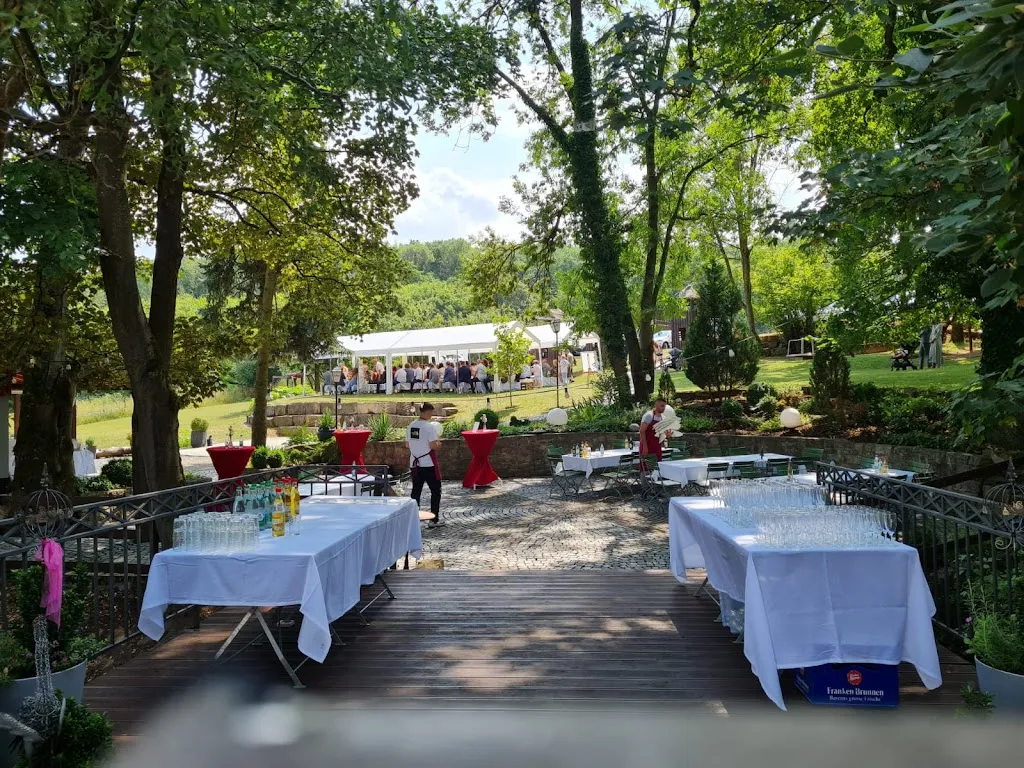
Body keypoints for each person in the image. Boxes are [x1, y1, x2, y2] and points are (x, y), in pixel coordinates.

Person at [407, 402, 443, 527]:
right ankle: (433, 519)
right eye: (431, 413)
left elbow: (407, 444)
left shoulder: (411, 426)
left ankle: (413, 518)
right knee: (435, 490)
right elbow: (433, 445)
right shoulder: (429, 427)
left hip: (415, 463)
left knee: (416, 491)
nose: (431, 415)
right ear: (427, 412)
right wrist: (439, 444)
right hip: (428, 463)